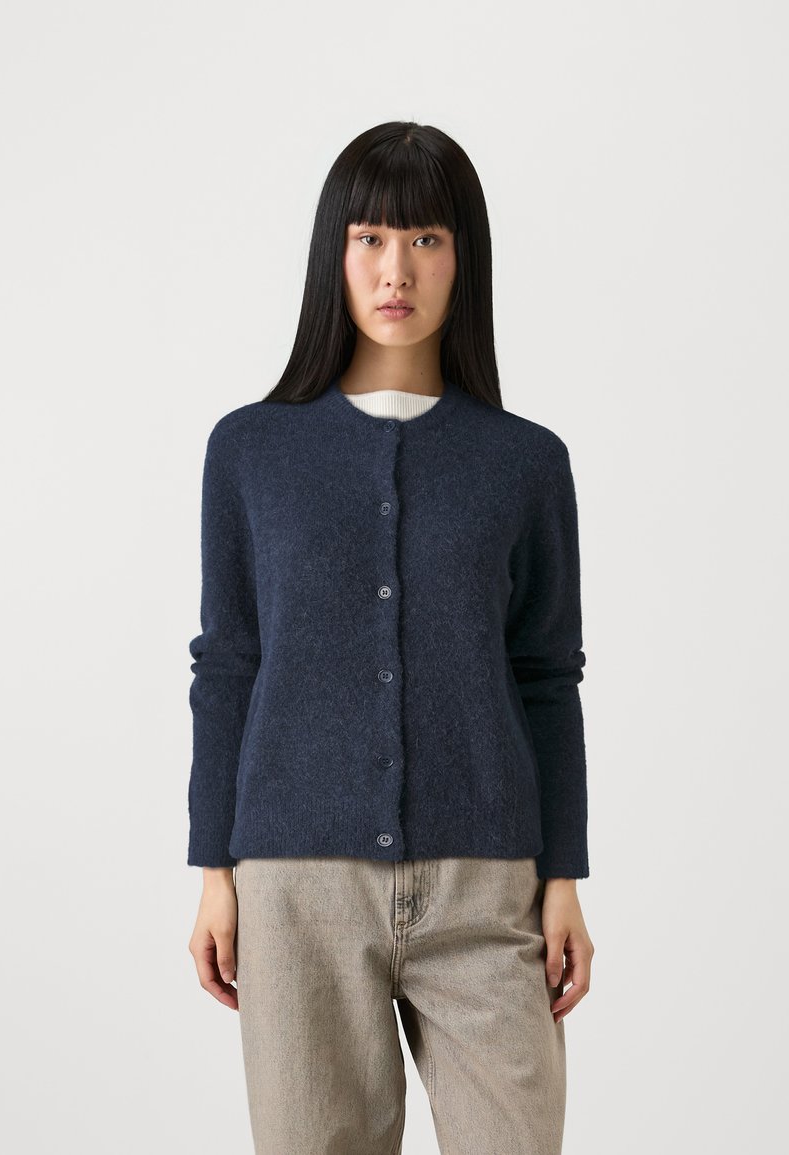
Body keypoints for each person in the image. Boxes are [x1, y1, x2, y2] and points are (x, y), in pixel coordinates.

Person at [186, 120, 595, 1155]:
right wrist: (214, 870)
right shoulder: (251, 451)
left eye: (424, 239)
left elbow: (546, 675)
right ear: (334, 254)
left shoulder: (524, 462)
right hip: (296, 886)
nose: (395, 270)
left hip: (485, 883)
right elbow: (228, 662)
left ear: (464, 258)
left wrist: (563, 875)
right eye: (368, 237)